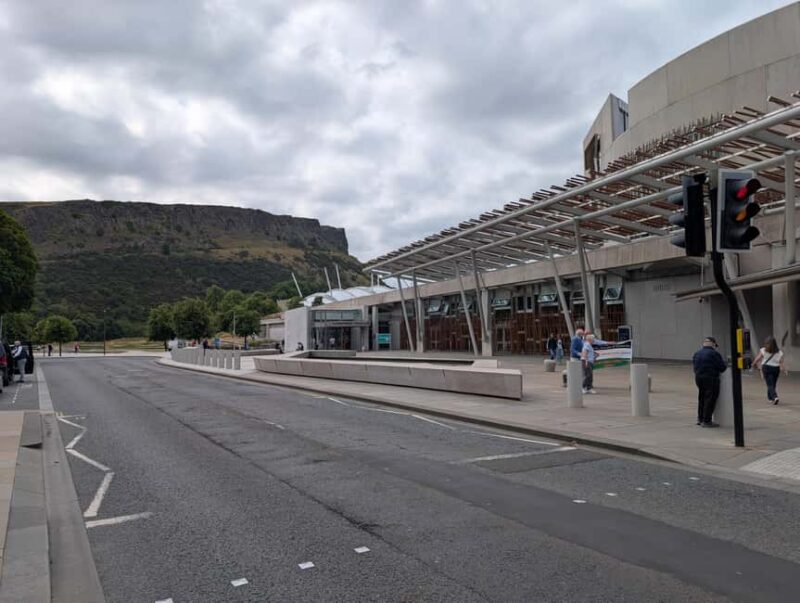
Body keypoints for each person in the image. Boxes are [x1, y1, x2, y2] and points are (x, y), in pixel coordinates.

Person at [692, 336, 727, 427]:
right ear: (714, 344)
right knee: (710, 399)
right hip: (711, 378)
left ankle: (700, 418)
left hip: (699, 378)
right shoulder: (714, 354)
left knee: (702, 397)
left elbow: (695, 366)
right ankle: (707, 420)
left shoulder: (697, 353)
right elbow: (722, 368)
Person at [753, 336, 788, 405]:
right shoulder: (779, 352)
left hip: (766, 368)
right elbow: (781, 362)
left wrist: (753, 363)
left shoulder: (763, 350)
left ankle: (775, 397)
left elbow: (758, 358)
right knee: (773, 384)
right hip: (776, 369)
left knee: (769, 384)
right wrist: (784, 370)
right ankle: (770, 398)